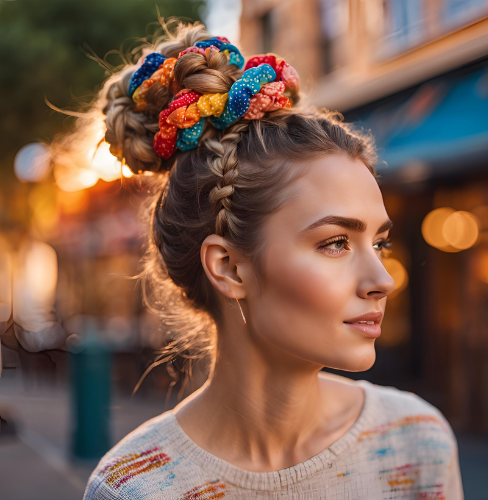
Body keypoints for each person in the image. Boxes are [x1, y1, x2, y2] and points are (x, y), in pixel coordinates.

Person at [61, 20, 463, 500]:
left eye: (380, 242)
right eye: (335, 242)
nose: (383, 281)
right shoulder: (134, 488)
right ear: (229, 267)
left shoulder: (417, 445)